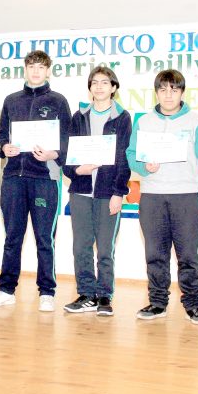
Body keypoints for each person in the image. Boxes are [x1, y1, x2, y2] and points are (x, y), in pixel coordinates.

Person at [0, 50, 71, 312]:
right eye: (31, 66)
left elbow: (67, 139)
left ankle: (47, 292)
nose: (35, 71)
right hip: (12, 178)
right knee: (12, 237)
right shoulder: (11, 100)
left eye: (41, 67)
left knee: (45, 238)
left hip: (44, 177)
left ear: (48, 70)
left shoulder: (58, 101)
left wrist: (54, 153)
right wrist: (5, 148)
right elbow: (3, 136)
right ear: (25, 68)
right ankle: (6, 290)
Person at [126, 70, 198, 323]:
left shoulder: (196, 122)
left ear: (182, 93)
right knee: (155, 253)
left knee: (188, 255)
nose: (168, 94)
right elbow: (132, 155)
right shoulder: (143, 122)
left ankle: (193, 304)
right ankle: (157, 302)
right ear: (156, 92)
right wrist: (145, 167)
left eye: (174, 89)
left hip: (186, 196)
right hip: (152, 196)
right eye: (163, 89)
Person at [62, 66, 132, 317]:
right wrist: (76, 171)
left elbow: (124, 158)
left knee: (105, 248)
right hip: (80, 191)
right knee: (81, 246)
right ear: (90, 87)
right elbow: (66, 152)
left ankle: (104, 295)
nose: (99, 86)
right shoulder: (78, 116)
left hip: (107, 192)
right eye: (95, 82)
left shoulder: (123, 118)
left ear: (114, 88)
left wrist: (119, 192)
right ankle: (86, 294)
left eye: (105, 82)